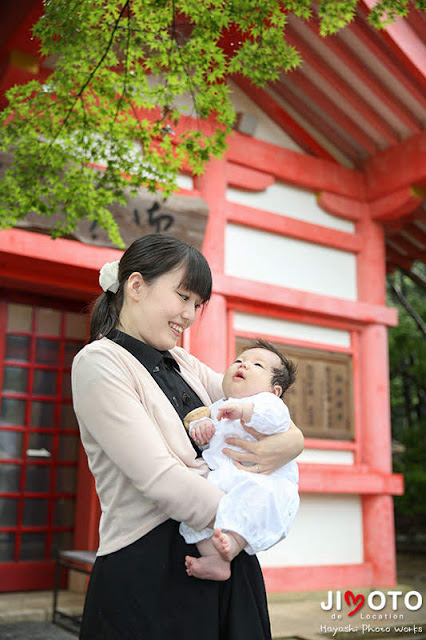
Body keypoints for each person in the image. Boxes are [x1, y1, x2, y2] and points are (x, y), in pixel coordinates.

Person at [71, 234, 304, 640]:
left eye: (197, 304)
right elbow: (158, 477)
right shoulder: (100, 362)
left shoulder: (183, 362)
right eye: (182, 297)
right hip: (151, 566)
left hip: (222, 551)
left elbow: (257, 400)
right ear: (137, 286)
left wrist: (293, 441)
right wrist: (246, 514)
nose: (191, 314)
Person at [180, 339, 299, 581]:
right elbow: (209, 442)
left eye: (257, 364)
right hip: (225, 477)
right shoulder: (218, 406)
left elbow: (276, 421)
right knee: (196, 510)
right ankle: (216, 561)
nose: (243, 365)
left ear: (275, 390)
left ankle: (235, 542)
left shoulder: (269, 404)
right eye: (238, 361)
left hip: (262, 480)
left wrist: (246, 411)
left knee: (253, 501)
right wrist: (203, 428)